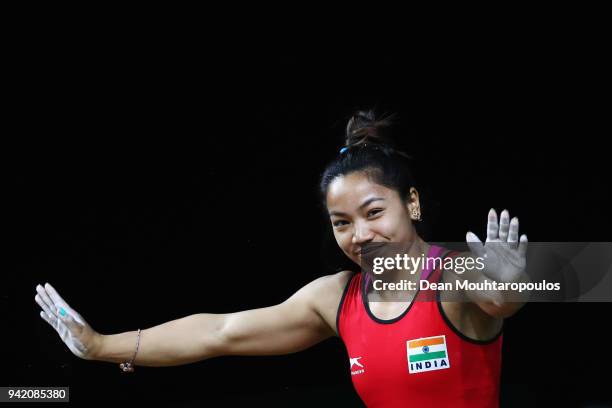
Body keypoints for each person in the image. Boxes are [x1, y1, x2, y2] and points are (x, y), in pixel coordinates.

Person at [34, 110, 529, 407]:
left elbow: (499, 298)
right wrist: (100, 346)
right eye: (341, 222)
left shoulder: (454, 274)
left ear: (413, 204)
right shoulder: (336, 299)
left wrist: (511, 285)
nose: (361, 234)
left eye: (374, 212)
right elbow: (218, 333)